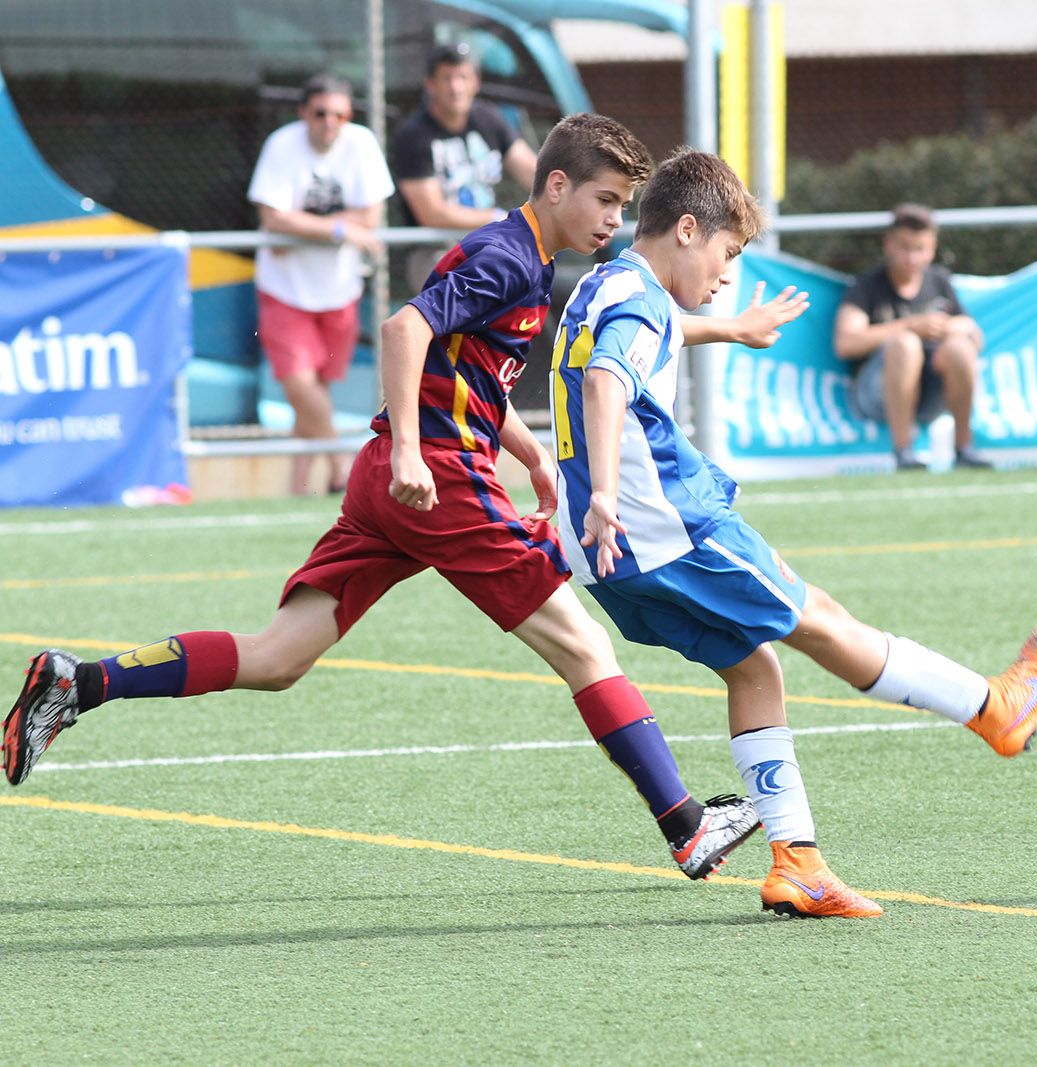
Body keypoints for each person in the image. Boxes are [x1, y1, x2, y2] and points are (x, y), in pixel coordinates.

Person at [4, 114, 807, 883]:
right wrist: (419, 459)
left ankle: (81, 682)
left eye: (624, 206)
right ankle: (686, 823)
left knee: (279, 657)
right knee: (585, 648)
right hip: (437, 483)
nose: (614, 220)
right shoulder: (506, 256)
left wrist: (520, 448)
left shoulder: (527, 260)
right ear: (557, 186)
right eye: (606, 201)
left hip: (394, 475)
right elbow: (403, 331)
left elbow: (463, 373)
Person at [553, 149, 1037, 920]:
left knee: (754, 668)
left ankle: (798, 863)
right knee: (818, 618)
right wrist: (605, 494)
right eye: (727, 255)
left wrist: (730, 327)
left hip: (606, 558)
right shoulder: (639, 303)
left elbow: (645, 335)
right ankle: (994, 706)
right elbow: (608, 378)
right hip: (668, 527)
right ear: (687, 230)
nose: (727, 274)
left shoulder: (610, 283)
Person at [248, 73, 393, 496]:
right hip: (284, 287)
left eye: (340, 114)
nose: (330, 122)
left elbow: (369, 218)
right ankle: (342, 467)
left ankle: (299, 486)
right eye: (320, 113)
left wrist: (305, 227)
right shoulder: (281, 145)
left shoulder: (361, 143)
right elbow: (273, 218)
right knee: (298, 384)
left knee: (314, 394)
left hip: (338, 289)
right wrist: (336, 230)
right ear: (302, 113)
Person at [833, 203, 991, 471]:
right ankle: (904, 452)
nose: (911, 258)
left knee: (959, 349)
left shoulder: (939, 280)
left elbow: (976, 337)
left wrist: (960, 327)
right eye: (904, 248)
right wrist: (911, 326)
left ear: (932, 249)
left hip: (930, 396)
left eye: (919, 249)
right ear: (888, 245)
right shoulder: (867, 286)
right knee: (905, 344)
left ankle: (964, 448)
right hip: (876, 397)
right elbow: (845, 343)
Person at [391, 41, 541, 290]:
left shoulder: (489, 118)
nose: (456, 87)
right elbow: (432, 213)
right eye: (447, 78)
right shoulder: (413, 135)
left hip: (491, 242)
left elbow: (532, 172)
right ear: (430, 84)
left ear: (475, 82)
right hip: (438, 250)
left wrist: (562, 195)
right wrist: (497, 218)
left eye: (463, 77)